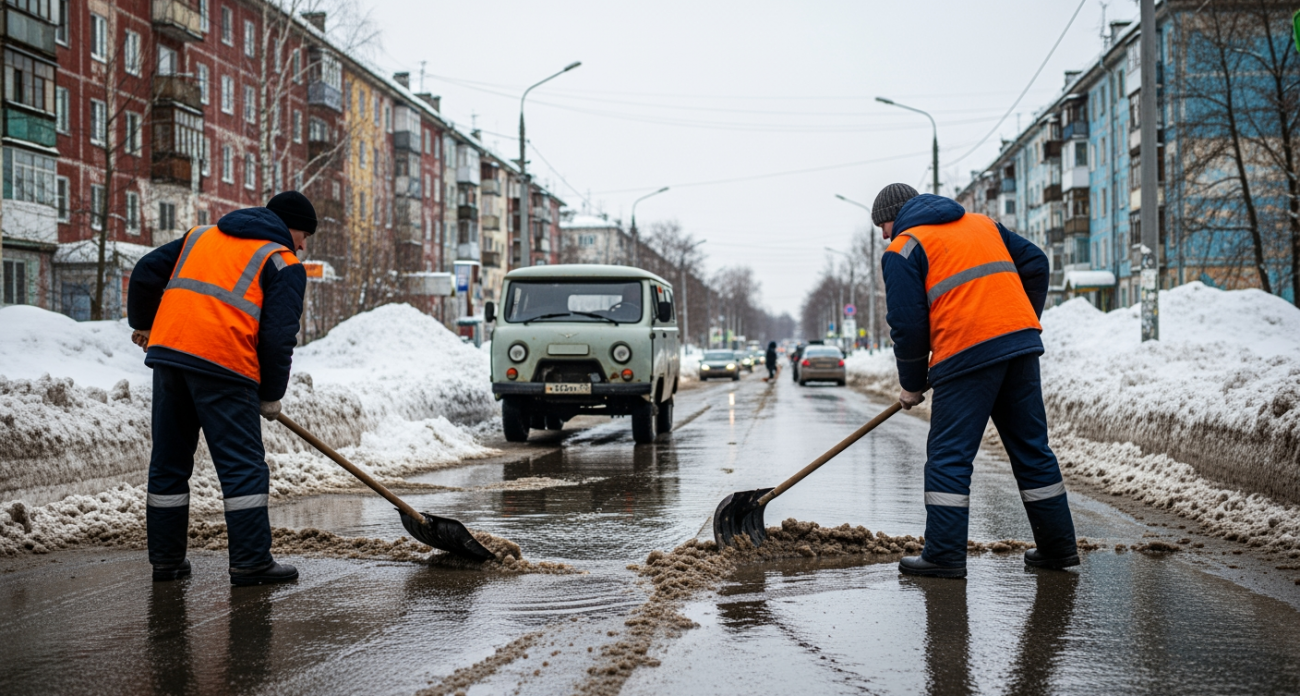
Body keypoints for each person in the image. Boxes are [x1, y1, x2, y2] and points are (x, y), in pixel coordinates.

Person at [872, 183, 1077, 579]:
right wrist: (1013, 323)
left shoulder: (903, 249)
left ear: (897, 215)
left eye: (882, 223)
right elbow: (1036, 263)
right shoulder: (984, 225)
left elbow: (907, 325)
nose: (883, 233)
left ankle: (944, 556)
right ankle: (1058, 549)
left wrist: (912, 382)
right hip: (1018, 347)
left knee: (949, 456)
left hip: (965, 354)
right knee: (1033, 450)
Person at [127, 192, 315, 586]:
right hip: (224, 366)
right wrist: (270, 393)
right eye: (303, 234)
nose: (302, 244)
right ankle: (250, 563)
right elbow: (279, 338)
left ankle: (166, 562)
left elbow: (145, 271)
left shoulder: (200, 236)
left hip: (170, 358)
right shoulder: (283, 262)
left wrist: (145, 325)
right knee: (242, 468)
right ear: (288, 226)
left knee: (169, 464)